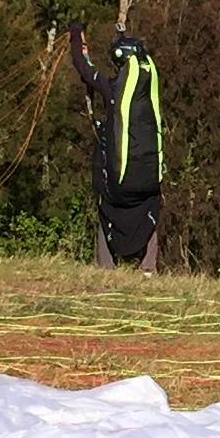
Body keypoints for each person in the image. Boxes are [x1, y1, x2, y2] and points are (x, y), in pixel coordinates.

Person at [68, 21, 165, 272]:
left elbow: (83, 67)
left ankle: (106, 266)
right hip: (148, 181)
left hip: (119, 184)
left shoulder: (111, 88)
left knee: (106, 208)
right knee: (148, 211)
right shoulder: (149, 93)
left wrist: (76, 34)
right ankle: (148, 269)